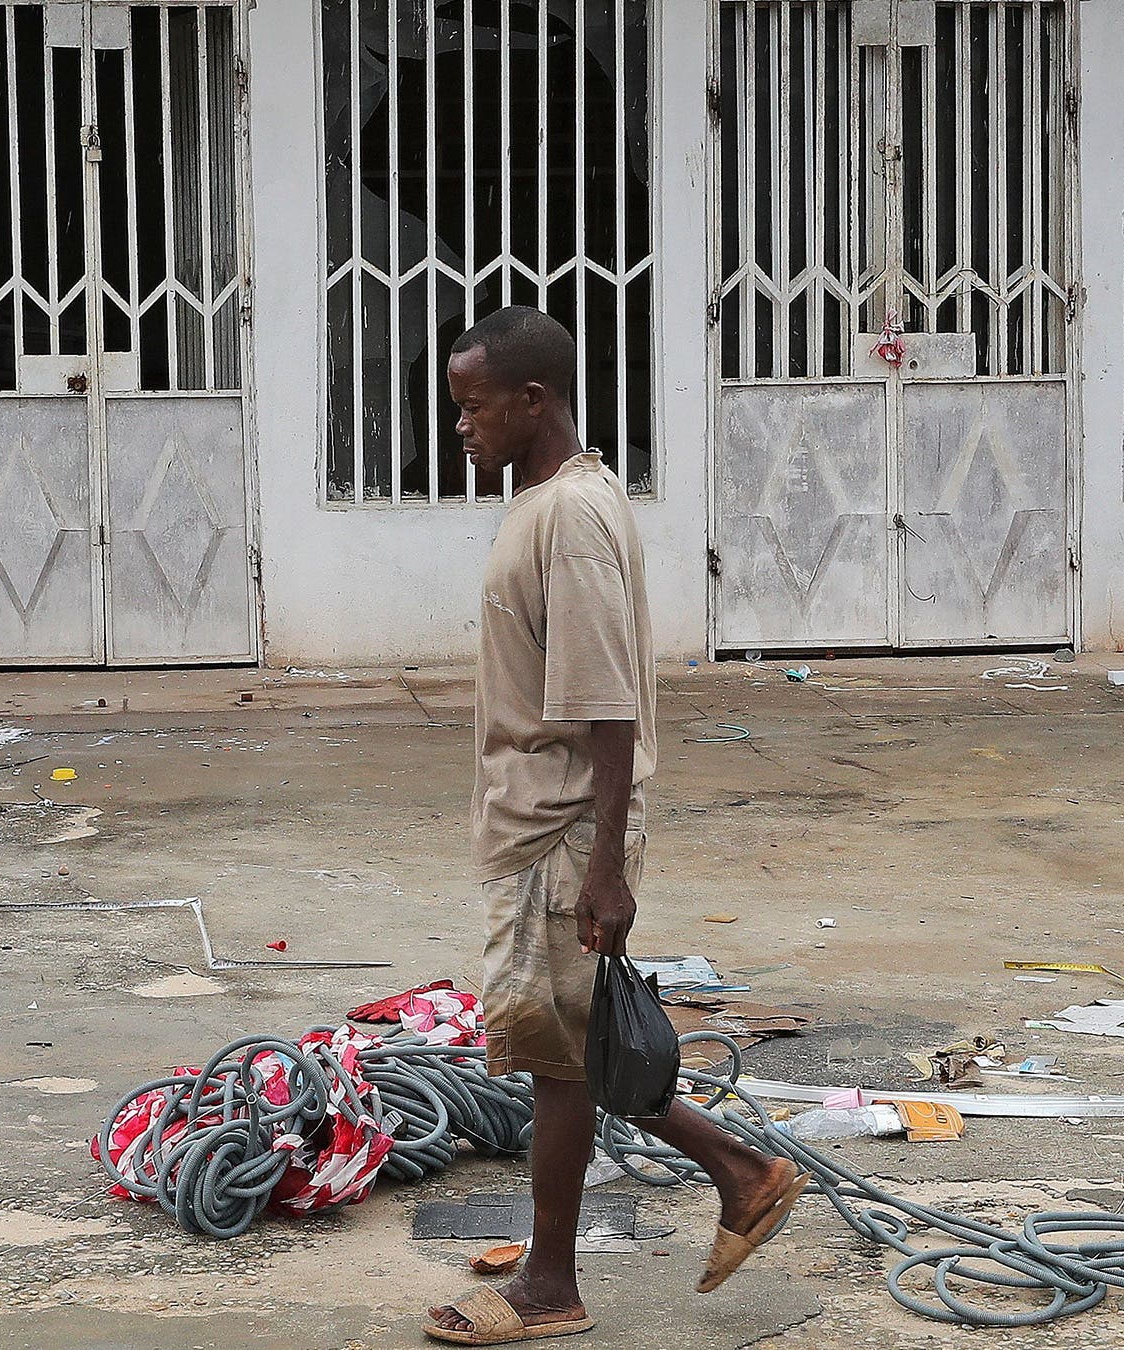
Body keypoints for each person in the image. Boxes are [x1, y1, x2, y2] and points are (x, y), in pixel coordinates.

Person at [426, 308, 806, 1345]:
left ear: (533, 400)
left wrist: (605, 866)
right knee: (569, 1049)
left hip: (561, 834)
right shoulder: (540, 503)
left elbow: (606, 704)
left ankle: (555, 1284)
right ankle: (742, 1174)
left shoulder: (573, 517)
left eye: (472, 406)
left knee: (561, 1060)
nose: (461, 426)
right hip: (534, 827)